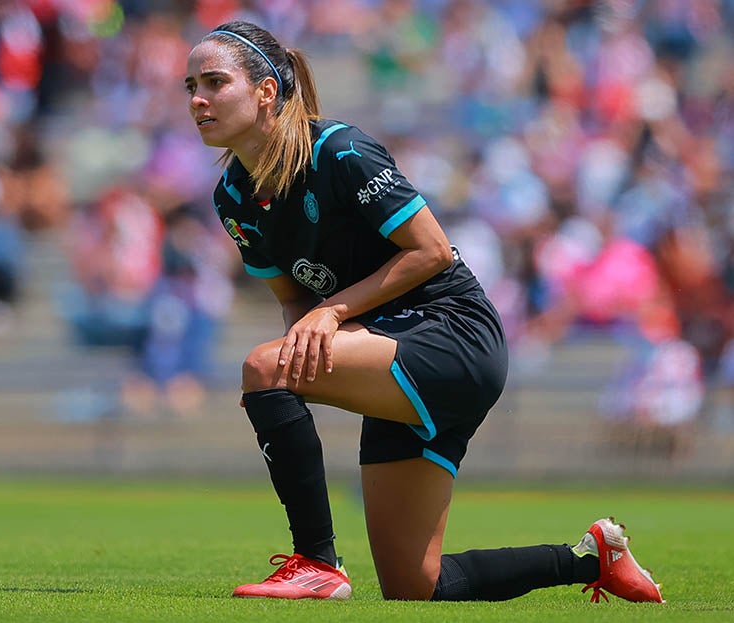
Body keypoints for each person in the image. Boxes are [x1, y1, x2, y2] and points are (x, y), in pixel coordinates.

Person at [184, 21, 664, 604]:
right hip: (393, 345)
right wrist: (303, 359)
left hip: (454, 334)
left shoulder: (339, 150)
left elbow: (432, 250)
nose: (197, 100)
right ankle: (591, 559)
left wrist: (310, 339)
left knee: (264, 370)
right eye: (190, 85)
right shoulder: (231, 196)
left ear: (265, 91)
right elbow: (294, 300)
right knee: (415, 587)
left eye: (214, 81)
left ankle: (317, 564)